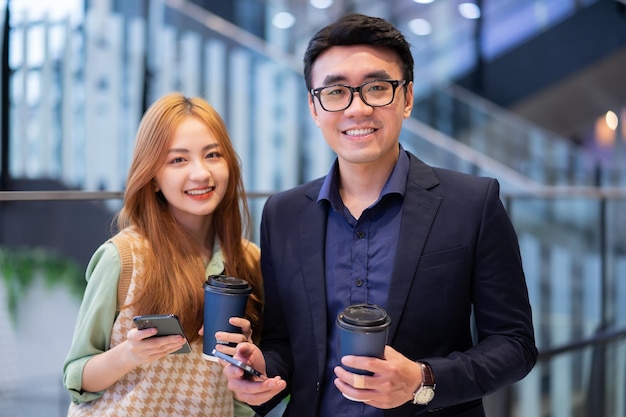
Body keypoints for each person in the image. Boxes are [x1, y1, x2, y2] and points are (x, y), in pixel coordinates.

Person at [221, 13, 537, 417]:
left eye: (376, 88)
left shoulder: (472, 203)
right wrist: (263, 369)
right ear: (314, 107)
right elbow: (286, 343)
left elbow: (514, 344)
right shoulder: (283, 214)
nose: (357, 108)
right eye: (335, 92)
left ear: (406, 98)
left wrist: (422, 380)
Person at [63, 92, 263, 417]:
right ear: (153, 178)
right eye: (178, 160)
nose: (201, 173)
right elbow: (77, 378)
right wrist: (130, 354)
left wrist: (248, 362)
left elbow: (242, 402)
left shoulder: (249, 260)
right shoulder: (123, 257)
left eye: (213, 155)